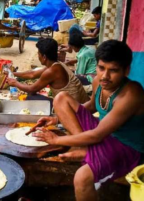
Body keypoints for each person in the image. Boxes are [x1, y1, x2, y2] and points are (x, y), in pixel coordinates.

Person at [33, 40, 144, 201]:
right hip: (103, 132)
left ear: (126, 71)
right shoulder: (99, 81)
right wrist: (56, 119)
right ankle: (86, 149)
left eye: (113, 70)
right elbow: (92, 105)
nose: (105, 76)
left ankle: (87, 151)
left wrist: (58, 139)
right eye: (101, 68)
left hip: (126, 146)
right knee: (61, 98)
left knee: (81, 178)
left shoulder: (131, 94)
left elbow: (97, 135)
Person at [6, 38, 89, 104]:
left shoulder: (52, 71)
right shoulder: (56, 64)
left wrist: (15, 83)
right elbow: (32, 74)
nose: (38, 56)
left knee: (30, 96)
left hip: (73, 107)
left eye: (38, 53)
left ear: (44, 57)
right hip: (77, 103)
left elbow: (31, 89)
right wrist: (13, 73)